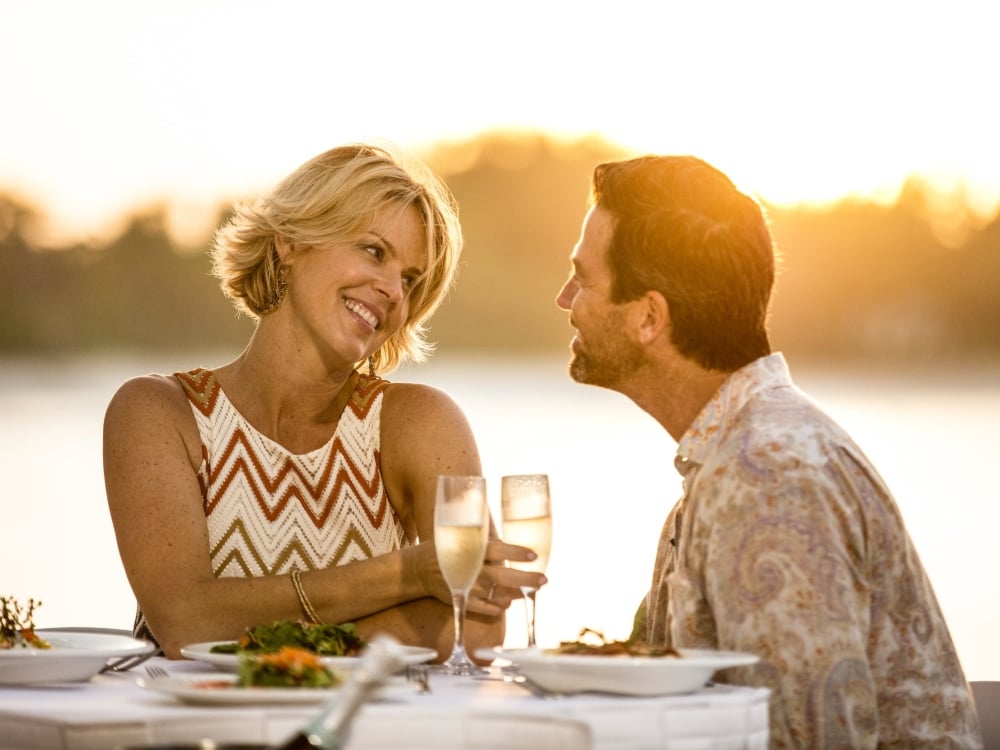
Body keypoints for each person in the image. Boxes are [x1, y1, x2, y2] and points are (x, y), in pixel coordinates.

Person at [555, 155, 982, 748]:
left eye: (583, 278)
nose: (564, 298)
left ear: (650, 317)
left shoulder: (769, 475)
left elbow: (810, 739)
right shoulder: (730, 456)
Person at [104, 144, 544, 660]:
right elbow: (186, 623)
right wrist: (408, 574)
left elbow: (477, 623)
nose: (392, 292)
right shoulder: (158, 414)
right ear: (290, 241)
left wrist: (257, 630)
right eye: (374, 251)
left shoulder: (420, 423)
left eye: (410, 279)